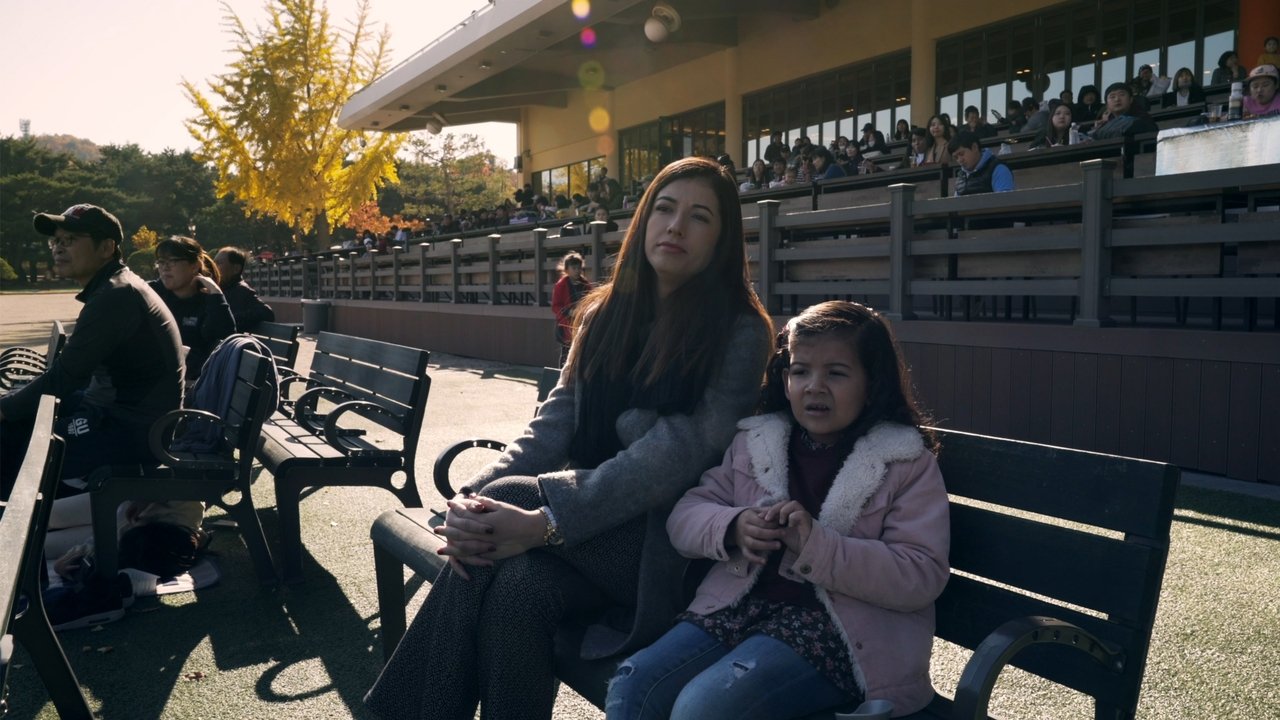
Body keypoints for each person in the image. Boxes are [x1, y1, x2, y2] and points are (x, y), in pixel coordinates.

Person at [364, 156, 775, 720]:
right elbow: (551, 424)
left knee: (511, 499)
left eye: (700, 217)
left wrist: (544, 521)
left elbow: (681, 452)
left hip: (660, 547)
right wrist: (468, 501)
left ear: (722, 241)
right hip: (571, 541)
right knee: (517, 593)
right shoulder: (604, 314)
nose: (676, 226)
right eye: (664, 208)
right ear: (644, 221)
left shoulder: (739, 331)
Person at [604, 301, 949, 720]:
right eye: (800, 370)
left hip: (838, 636)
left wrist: (815, 546)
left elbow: (920, 574)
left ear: (873, 383)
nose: (813, 386)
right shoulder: (757, 442)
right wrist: (733, 526)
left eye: (836, 373)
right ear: (784, 380)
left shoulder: (904, 461)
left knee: (704, 707)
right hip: (735, 611)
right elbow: (686, 516)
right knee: (634, 682)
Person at [1, 204, 184, 496]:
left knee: (19, 444)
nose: (58, 248)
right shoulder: (114, 287)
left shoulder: (117, 295)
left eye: (70, 240)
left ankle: (19, 536)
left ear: (106, 247)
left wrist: (5, 407)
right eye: (55, 241)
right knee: (19, 426)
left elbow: (65, 376)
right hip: (119, 416)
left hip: (131, 431)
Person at [150, 236, 235, 385]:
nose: (165, 267)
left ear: (194, 266)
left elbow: (226, 338)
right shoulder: (152, 294)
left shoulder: (208, 300)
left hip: (189, 385)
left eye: (173, 261)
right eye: (161, 262)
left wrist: (217, 295)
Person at [214, 246, 276, 332]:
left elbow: (267, 313)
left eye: (219, 263)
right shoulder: (219, 289)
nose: (214, 267)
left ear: (236, 269)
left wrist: (231, 317)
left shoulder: (241, 290)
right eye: (214, 263)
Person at [551, 252, 592, 367]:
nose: (577, 270)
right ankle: (562, 378)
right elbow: (555, 306)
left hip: (582, 323)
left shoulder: (586, 284)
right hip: (566, 324)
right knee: (566, 354)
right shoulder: (561, 285)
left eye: (579, 268)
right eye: (574, 268)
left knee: (582, 353)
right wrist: (569, 312)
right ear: (566, 270)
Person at [950, 130, 1014, 195]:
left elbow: (1005, 202)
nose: (960, 160)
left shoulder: (998, 169)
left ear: (974, 147)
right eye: (956, 157)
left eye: (961, 154)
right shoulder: (961, 176)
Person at [1089, 82, 1158, 140]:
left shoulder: (1143, 119)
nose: (1117, 99)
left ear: (1131, 99)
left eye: (1122, 95)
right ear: (1107, 105)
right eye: (1112, 96)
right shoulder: (1104, 125)